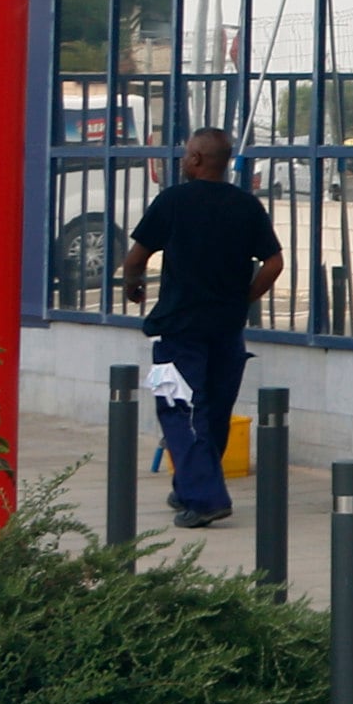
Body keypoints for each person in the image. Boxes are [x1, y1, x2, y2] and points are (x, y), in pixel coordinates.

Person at [121, 129, 283, 529]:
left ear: (195, 158)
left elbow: (136, 257)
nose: (182, 161)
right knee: (211, 412)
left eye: (185, 155)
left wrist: (133, 285)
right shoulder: (247, 206)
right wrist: (243, 298)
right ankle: (188, 485)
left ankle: (207, 497)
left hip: (180, 328)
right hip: (228, 329)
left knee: (180, 409)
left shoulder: (174, 201)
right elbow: (274, 263)